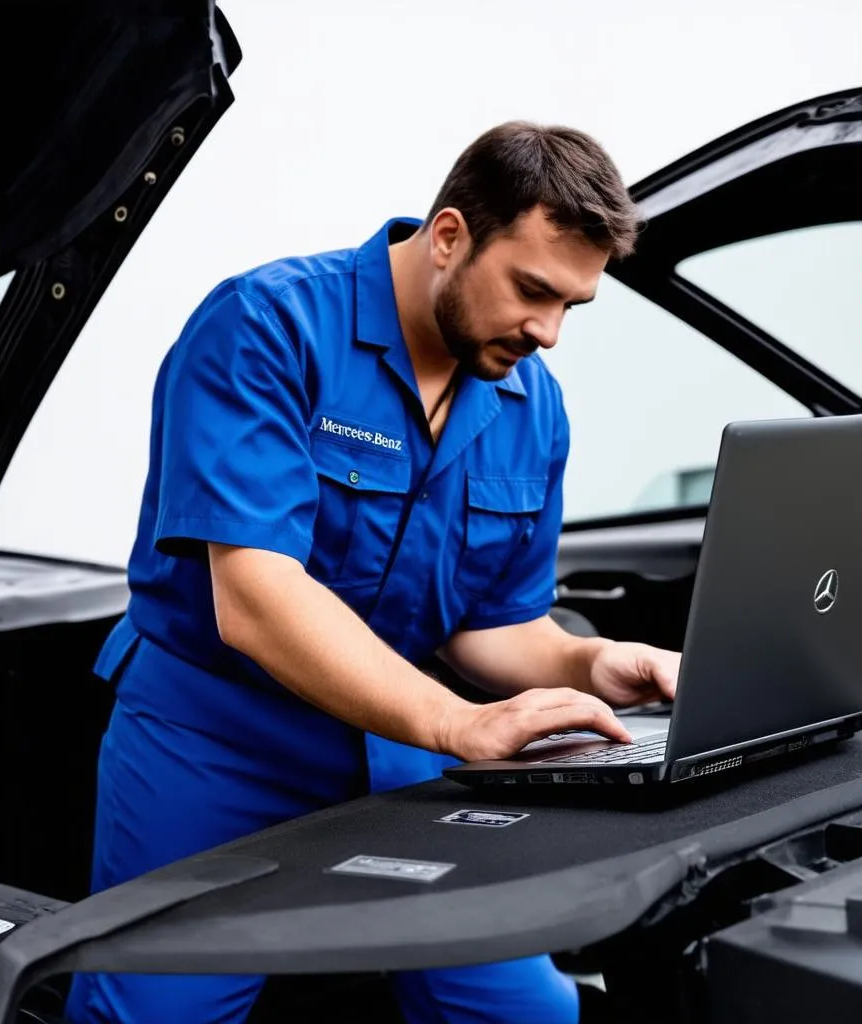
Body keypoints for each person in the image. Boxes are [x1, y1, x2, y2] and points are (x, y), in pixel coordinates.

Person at [65, 121, 680, 1024]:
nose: (547, 332)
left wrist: (592, 665)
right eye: (532, 291)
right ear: (448, 237)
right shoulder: (267, 329)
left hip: (406, 757)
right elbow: (258, 604)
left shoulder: (529, 404)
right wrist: (459, 722)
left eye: (571, 307)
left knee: (524, 1015)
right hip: (214, 743)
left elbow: (491, 622)